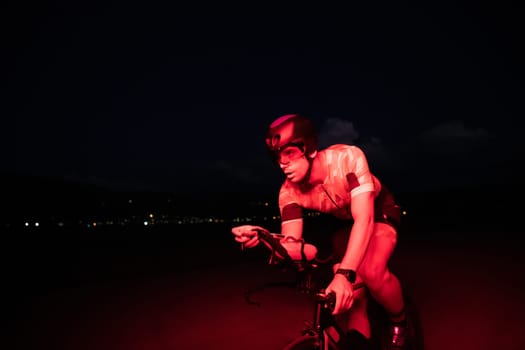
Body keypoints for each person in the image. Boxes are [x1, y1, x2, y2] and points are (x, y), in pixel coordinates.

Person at [234, 114, 409, 350]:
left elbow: (365, 219)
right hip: (343, 220)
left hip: (375, 210)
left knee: (371, 270)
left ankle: (399, 322)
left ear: (311, 148)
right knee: (353, 298)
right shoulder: (288, 193)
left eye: (290, 153)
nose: (282, 163)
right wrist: (265, 238)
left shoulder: (347, 158)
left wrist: (344, 275)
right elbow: (294, 244)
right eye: (277, 156)